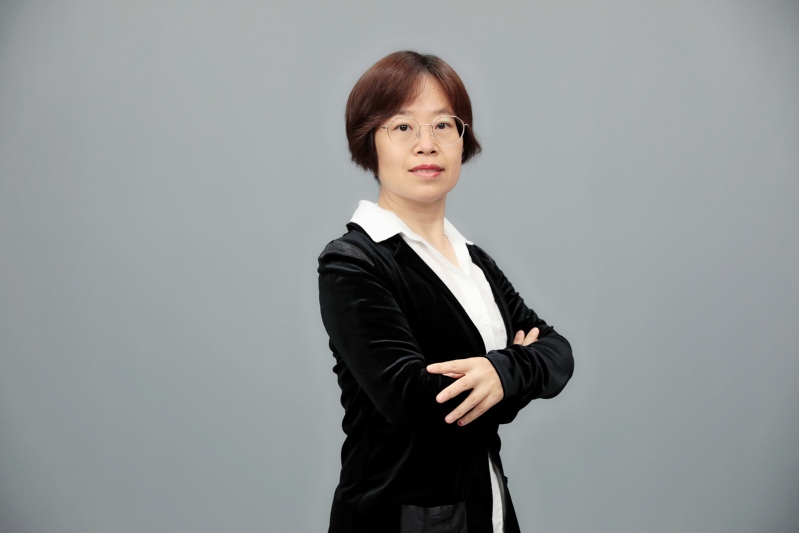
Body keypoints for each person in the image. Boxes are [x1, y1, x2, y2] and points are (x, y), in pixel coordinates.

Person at [318, 50, 574, 533]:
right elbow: (415, 401)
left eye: (442, 125)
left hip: (487, 509)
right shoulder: (354, 263)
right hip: (399, 519)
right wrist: (517, 374)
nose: (426, 144)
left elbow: (558, 352)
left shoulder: (473, 261)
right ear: (370, 142)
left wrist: (502, 372)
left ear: (462, 140)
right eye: (403, 127)